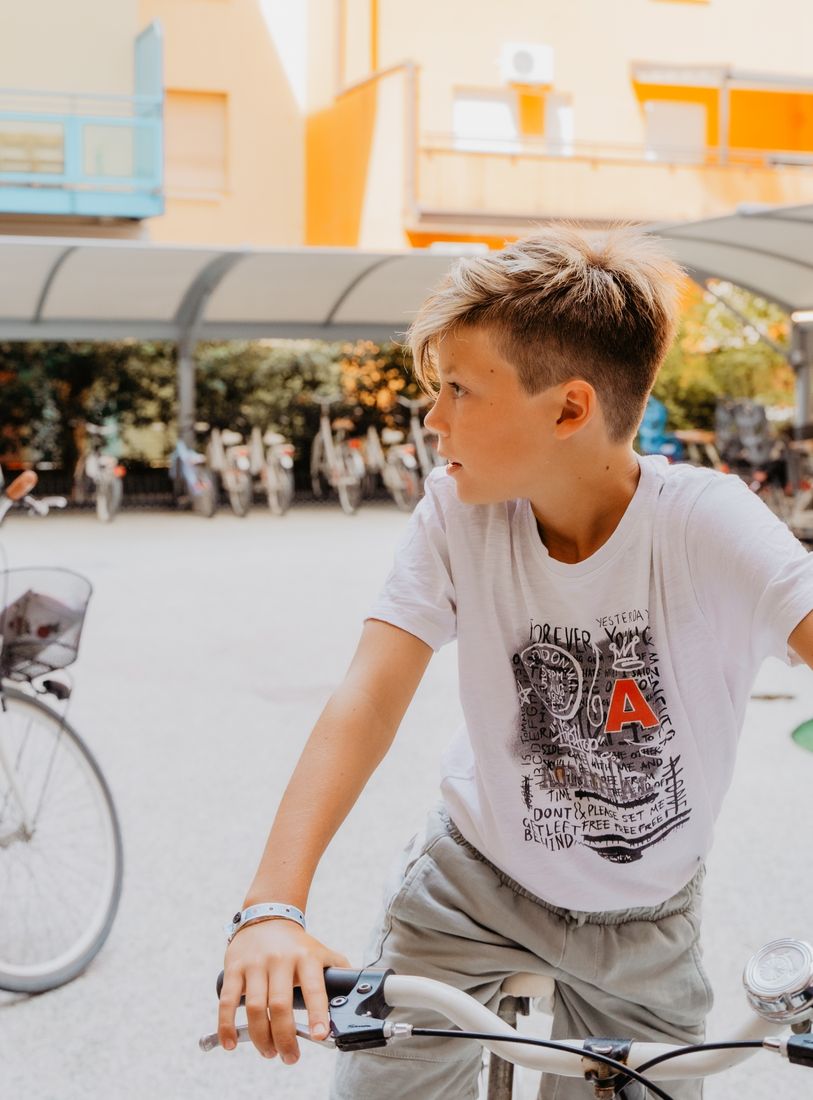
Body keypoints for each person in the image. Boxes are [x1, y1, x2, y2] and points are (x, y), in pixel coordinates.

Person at [216, 226, 813, 1099]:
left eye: (458, 389)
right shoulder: (458, 515)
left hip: (644, 923)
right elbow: (366, 700)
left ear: (569, 410)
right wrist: (271, 907)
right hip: (470, 888)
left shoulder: (705, 525)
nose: (432, 418)